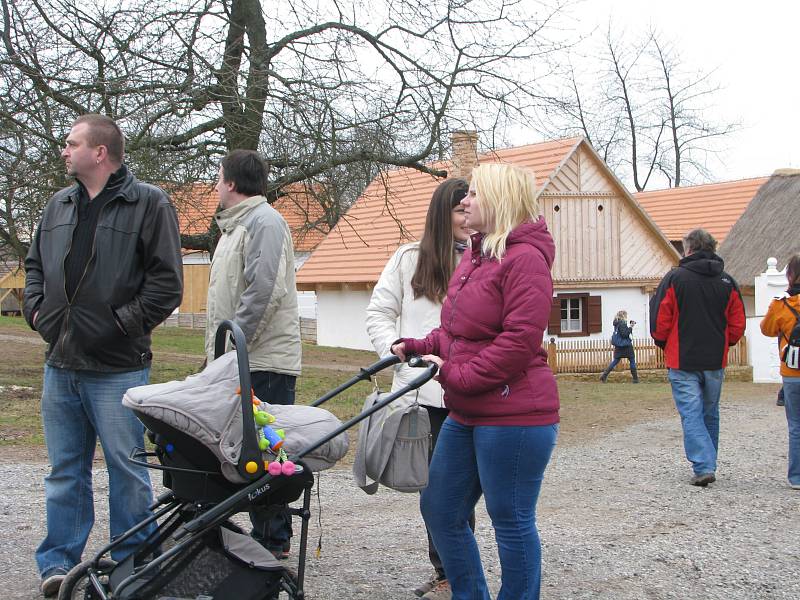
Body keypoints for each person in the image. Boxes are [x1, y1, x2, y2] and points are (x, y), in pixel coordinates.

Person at [23, 114, 183, 597]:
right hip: (61, 364)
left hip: (118, 367)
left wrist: (115, 326)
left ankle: (132, 564)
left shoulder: (149, 203)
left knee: (127, 469)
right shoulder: (58, 204)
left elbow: (166, 285)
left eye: (72, 143)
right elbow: (34, 268)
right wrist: (37, 315)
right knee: (64, 470)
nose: (64, 151)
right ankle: (58, 566)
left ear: (100, 152)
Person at [391, 163, 559, 600]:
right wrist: (418, 343)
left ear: (499, 201)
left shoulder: (525, 260)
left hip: (516, 414)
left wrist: (457, 375)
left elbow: (519, 342)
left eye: (475, 194)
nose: (465, 201)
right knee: (441, 508)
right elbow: (458, 329)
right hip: (469, 411)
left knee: (510, 517)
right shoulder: (476, 253)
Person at [365, 177, 474, 600]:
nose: (468, 218)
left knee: (463, 491)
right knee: (439, 490)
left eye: (472, 209)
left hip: (472, 390)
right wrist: (397, 355)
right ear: (442, 215)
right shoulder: (410, 259)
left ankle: (459, 571)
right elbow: (379, 313)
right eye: (460, 211)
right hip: (426, 394)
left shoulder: (488, 260)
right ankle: (448, 572)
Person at [204, 149, 301, 559]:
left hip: (263, 362)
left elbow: (263, 292)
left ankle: (273, 541)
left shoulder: (264, 222)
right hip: (238, 360)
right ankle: (254, 533)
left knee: (265, 450)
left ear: (230, 182)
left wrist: (231, 351)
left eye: (217, 177)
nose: (214, 185)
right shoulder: (234, 229)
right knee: (239, 451)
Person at [650, 228, 746, 487]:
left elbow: (661, 319)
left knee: (691, 413)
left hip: (683, 359)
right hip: (715, 359)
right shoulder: (727, 281)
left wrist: (663, 342)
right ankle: (708, 463)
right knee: (709, 413)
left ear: (689, 249)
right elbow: (737, 324)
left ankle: (704, 465)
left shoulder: (675, 278)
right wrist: (725, 343)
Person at [760, 254, 800, 489]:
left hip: (792, 372)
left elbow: (766, 329)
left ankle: (796, 477)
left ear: (789, 276)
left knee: (796, 426)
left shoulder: (780, 304)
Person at [600, 310, 639, 383]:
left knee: (615, 361)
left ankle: (604, 375)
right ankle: (635, 379)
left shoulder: (616, 324)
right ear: (623, 316)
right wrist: (630, 327)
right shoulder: (622, 323)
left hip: (618, 346)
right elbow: (625, 334)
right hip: (626, 346)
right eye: (626, 315)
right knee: (632, 360)